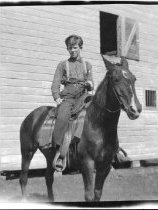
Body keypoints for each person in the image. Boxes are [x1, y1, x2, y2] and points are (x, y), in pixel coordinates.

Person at [51, 34, 94, 170]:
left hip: (84, 95)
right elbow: (55, 83)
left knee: (96, 113)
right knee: (63, 117)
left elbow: (92, 83)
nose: (72, 50)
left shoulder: (87, 65)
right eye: (70, 48)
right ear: (67, 49)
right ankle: (59, 149)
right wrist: (57, 97)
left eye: (75, 47)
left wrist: (89, 85)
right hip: (68, 97)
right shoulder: (62, 65)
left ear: (80, 47)